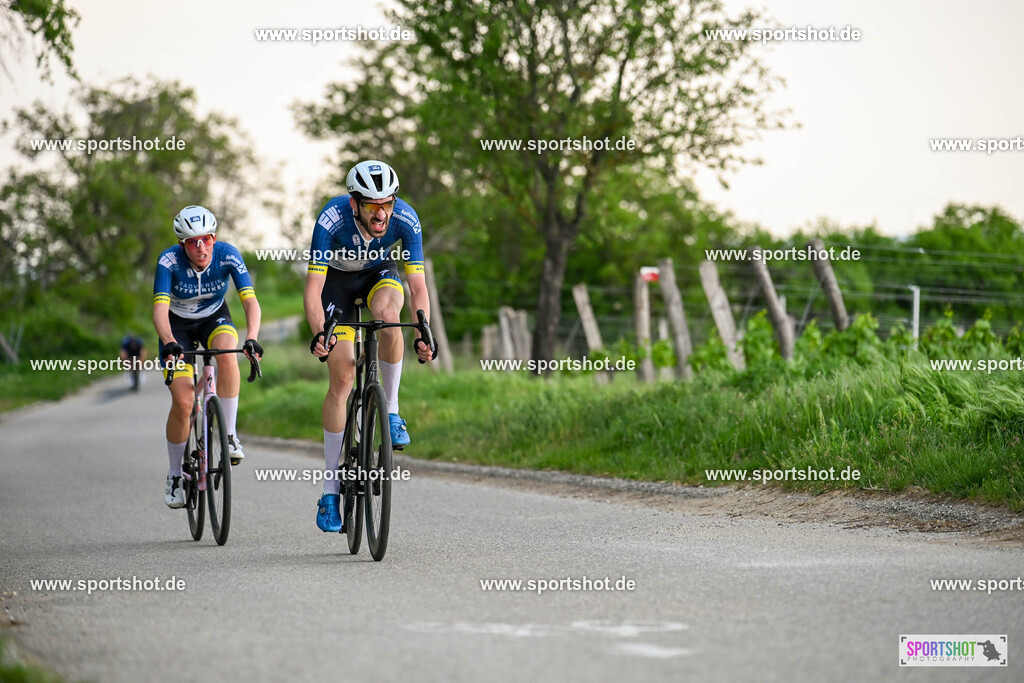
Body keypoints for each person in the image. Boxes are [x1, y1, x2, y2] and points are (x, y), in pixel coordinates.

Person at [304, 160, 434, 532]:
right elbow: (313, 291)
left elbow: (418, 287)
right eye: (372, 204)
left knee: (391, 319)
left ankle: (390, 410)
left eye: (387, 203)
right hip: (337, 287)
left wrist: (422, 330)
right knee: (343, 379)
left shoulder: (406, 219)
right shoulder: (331, 220)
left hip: (379, 275)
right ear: (353, 203)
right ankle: (330, 492)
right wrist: (320, 333)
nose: (382, 213)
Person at [154, 205, 263, 509]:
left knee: (229, 356)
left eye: (206, 239)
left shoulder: (228, 254)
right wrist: (169, 341)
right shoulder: (168, 262)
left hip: (215, 317)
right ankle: (175, 474)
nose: (200, 247)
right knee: (185, 402)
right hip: (177, 328)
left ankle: (228, 435)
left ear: (214, 238)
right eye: (192, 242)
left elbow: (250, 301)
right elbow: (160, 311)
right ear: (181, 245)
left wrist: (252, 337)